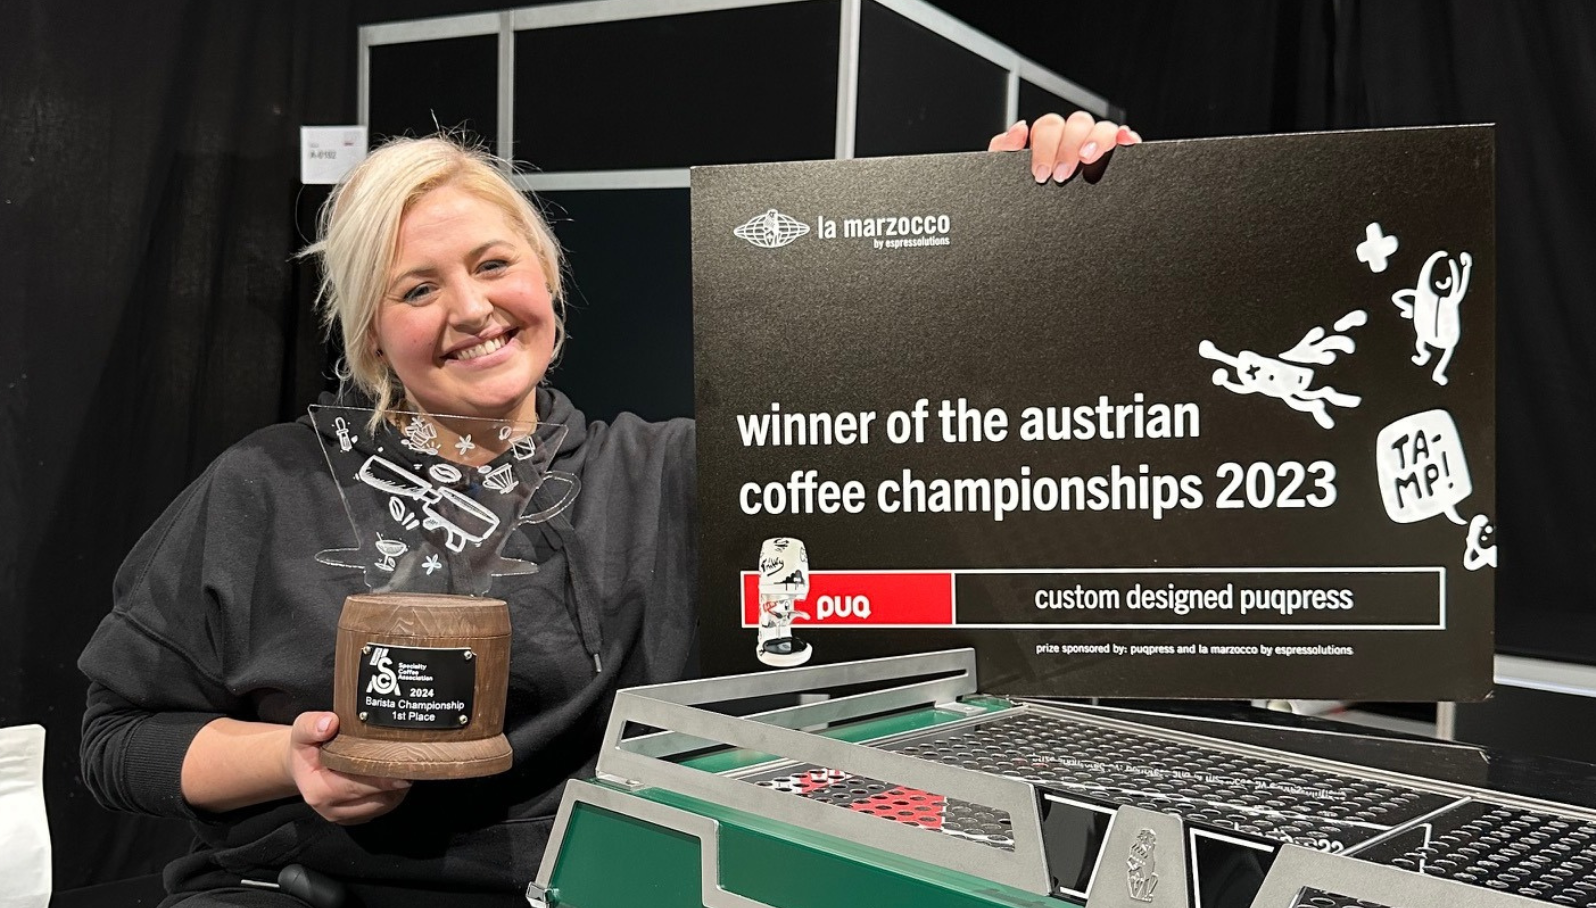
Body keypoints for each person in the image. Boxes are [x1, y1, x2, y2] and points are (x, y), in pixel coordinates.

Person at [78, 111, 1140, 907]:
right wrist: (296, 762)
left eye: (494, 263)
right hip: (311, 888)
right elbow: (116, 739)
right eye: (415, 288)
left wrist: (1022, 221)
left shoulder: (674, 471)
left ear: (547, 277)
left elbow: (920, 422)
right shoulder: (263, 485)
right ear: (368, 338)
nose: (470, 307)